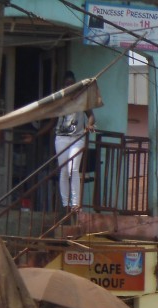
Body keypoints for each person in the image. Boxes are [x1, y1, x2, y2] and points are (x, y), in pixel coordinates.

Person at [44, 71, 95, 212]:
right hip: (61, 138)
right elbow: (52, 122)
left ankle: (76, 204)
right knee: (64, 171)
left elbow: (91, 116)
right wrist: (36, 135)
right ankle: (66, 204)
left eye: (72, 83)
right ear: (63, 86)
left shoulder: (81, 99)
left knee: (73, 169)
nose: (70, 85)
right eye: (67, 83)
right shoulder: (59, 101)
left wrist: (89, 125)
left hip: (77, 138)